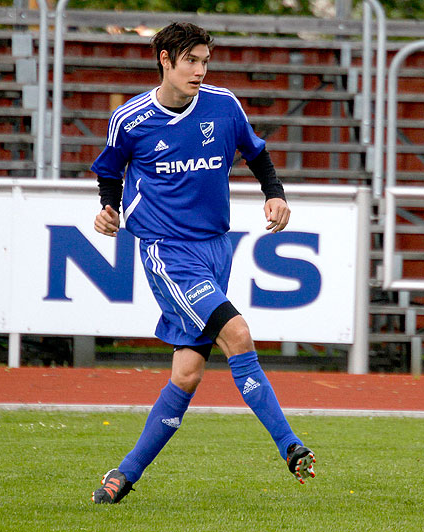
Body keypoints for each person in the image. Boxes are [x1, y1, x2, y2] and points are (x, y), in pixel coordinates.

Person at [90, 22, 315, 504]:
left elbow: (257, 154)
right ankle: (289, 444)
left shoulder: (223, 105)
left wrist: (274, 194)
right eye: (191, 60)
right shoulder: (130, 119)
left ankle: (123, 474)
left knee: (187, 375)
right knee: (238, 333)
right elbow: (110, 169)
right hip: (166, 251)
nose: (200, 70)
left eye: (205, 61)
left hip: (216, 247)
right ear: (165, 60)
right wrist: (109, 208)